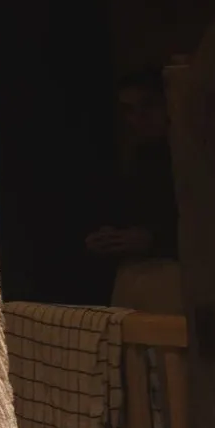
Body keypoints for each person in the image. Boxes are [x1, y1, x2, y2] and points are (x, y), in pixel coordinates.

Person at [86, 68, 181, 312]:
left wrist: (154, 240)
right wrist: (107, 238)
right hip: (138, 276)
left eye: (148, 105)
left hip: (177, 276)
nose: (138, 118)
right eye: (128, 110)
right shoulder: (139, 160)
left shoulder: (189, 156)